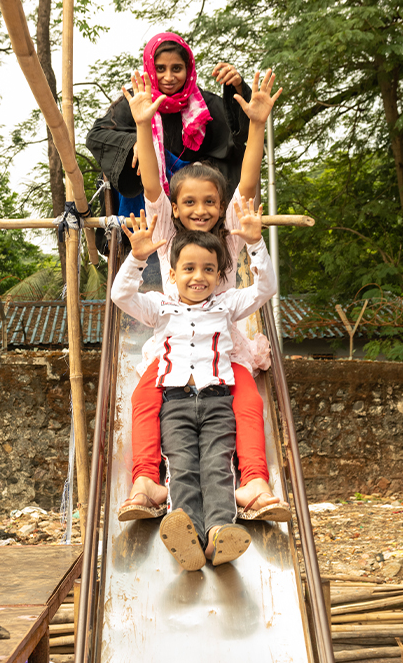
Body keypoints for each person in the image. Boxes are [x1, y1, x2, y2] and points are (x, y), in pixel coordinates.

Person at [115, 66, 290, 524]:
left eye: (210, 202)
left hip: (223, 341)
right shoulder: (168, 233)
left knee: (247, 400)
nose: (201, 210)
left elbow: (247, 187)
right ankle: (147, 481)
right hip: (174, 339)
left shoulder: (231, 237)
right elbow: (153, 186)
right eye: (190, 203)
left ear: (220, 206)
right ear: (176, 209)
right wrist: (140, 125)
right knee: (143, 398)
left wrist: (256, 125)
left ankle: (253, 482)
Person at [110, 203, 276, 570]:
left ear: (219, 277)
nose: (198, 276)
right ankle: (187, 536)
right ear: (172, 273)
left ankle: (218, 533)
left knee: (217, 466)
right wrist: (137, 260)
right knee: (182, 466)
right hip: (176, 401)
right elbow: (121, 297)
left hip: (217, 400)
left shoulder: (226, 305)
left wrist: (256, 245)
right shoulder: (160, 307)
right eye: (188, 268)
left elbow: (266, 288)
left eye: (208, 270)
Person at [85, 32, 252, 220]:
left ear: (188, 69)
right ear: (149, 68)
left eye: (177, 68)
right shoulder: (137, 100)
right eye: (161, 69)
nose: (169, 77)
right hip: (149, 209)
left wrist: (238, 87)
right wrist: (135, 142)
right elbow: (96, 136)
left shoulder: (205, 106)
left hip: (195, 211)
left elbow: (242, 133)